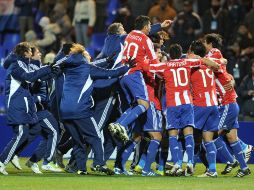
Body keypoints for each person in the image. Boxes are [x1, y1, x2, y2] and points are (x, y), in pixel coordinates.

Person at [59, 43, 135, 175]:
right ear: (83, 56)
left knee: (78, 141)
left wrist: (106, 61)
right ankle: (100, 163)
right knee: (95, 137)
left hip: (64, 111)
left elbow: (95, 65)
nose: (90, 57)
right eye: (88, 55)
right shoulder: (88, 68)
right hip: (80, 110)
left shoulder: (68, 68)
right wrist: (127, 66)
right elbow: (111, 73)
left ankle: (81, 169)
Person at [108, 16, 171, 142]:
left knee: (136, 105)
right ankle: (121, 124)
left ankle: (119, 124)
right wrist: (168, 70)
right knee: (144, 104)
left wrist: (160, 26)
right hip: (134, 74)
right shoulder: (145, 39)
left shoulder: (130, 35)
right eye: (149, 26)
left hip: (123, 75)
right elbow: (154, 62)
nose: (149, 29)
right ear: (146, 26)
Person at [0, 42, 56, 175]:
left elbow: (36, 77)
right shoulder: (17, 64)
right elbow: (29, 77)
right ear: (25, 53)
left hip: (23, 105)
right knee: (21, 134)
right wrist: (47, 68)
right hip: (16, 104)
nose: (32, 52)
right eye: (30, 51)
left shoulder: (23, 64)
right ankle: (2, 161)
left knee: (33, 129)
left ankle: (13, 155)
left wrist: (50, 71)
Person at [204, 33, 251, 177]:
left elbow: (209, 61)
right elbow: (225, 72)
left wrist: (198, 58)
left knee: (211, 135)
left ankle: (214, 169)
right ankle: (243, 168)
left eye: (205, 43)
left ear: (210, 43)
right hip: (230, 103)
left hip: (227, 103)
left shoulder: (214, 52)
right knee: (231, 138)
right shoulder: (218, 60)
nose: (204, 46)